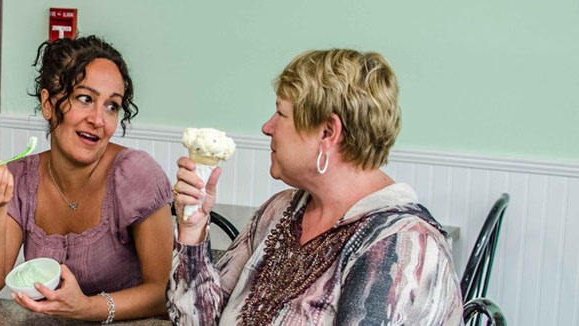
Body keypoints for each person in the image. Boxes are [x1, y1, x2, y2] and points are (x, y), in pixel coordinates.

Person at [168, 49, 462, 325]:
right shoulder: (280, 210)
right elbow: (198, 320)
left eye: (281, 114)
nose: (267, 127)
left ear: (327, 132)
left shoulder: (403, 247)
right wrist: (193, 228)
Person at [0, 35, 173, 322]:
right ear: (48, 103)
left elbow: (164, 294)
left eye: (112, 106)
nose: (98, 120)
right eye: (85, 99)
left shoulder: (136, 174)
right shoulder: (21, 179)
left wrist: (88, 308)